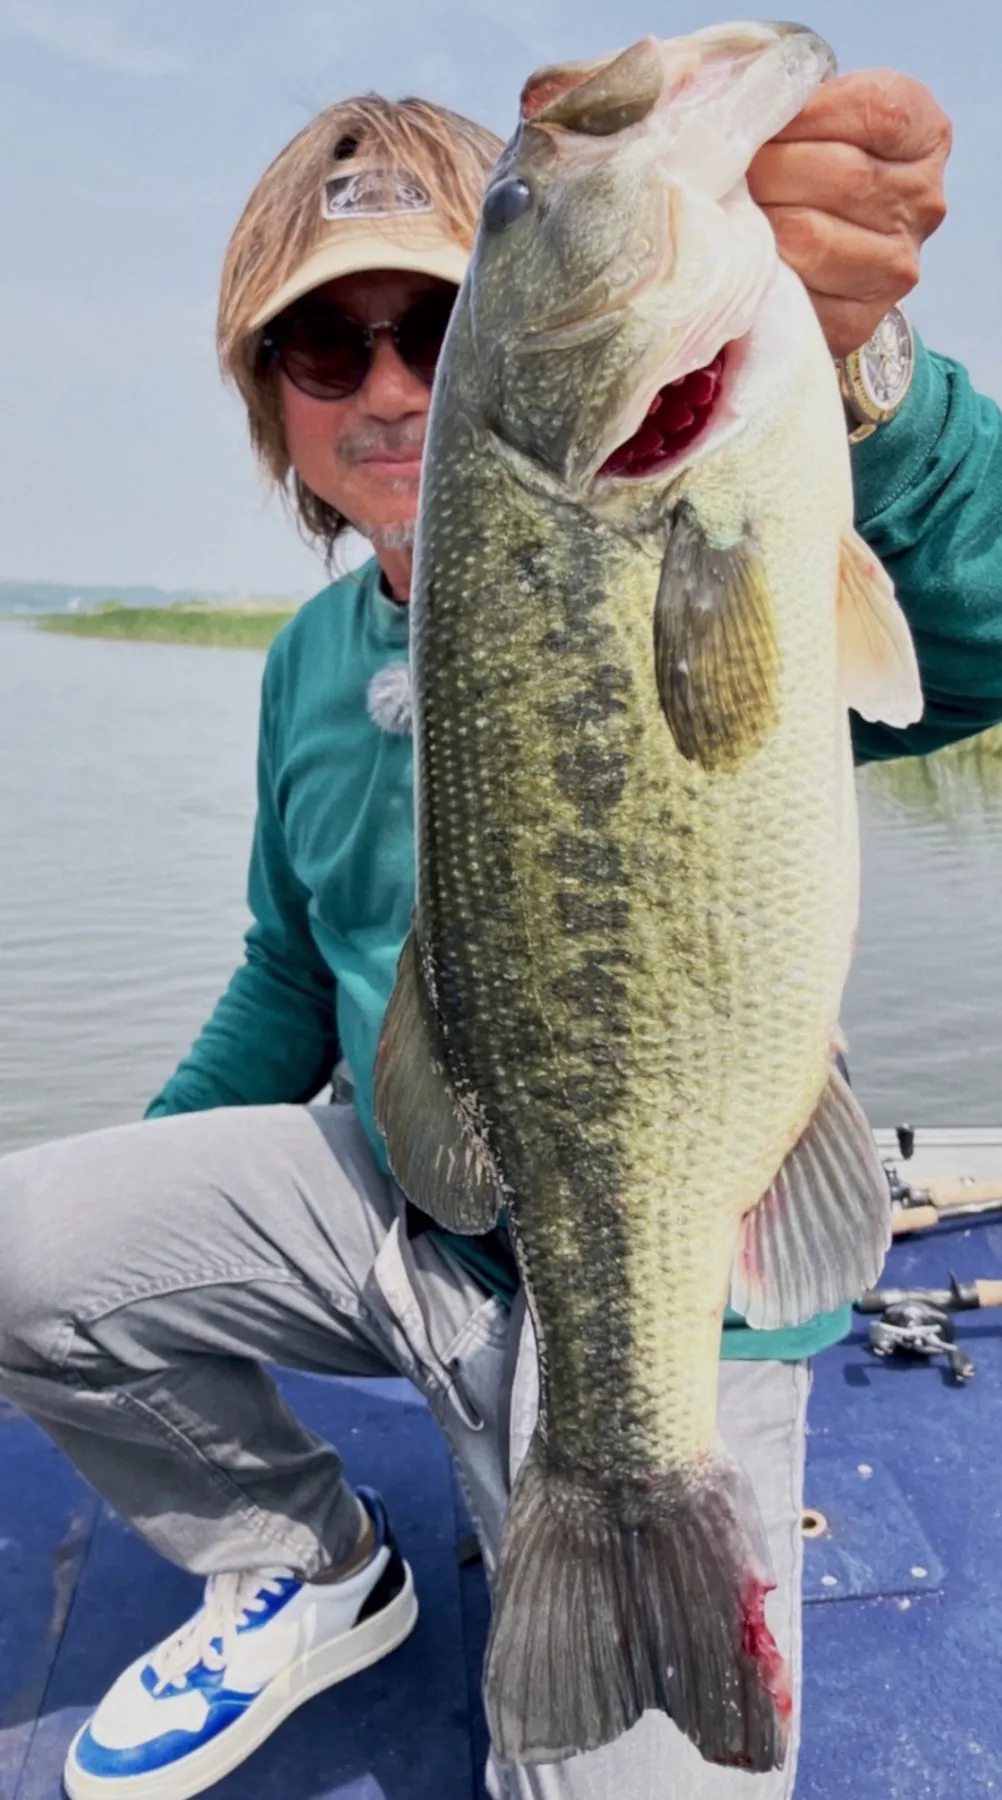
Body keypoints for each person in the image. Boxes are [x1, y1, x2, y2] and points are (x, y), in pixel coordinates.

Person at [0, 62, 996, 1800]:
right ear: (273, 402)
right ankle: (315, 1568)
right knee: (19, 1246)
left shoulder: (739, 510)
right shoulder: (309, 663)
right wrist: (151, 1246)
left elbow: (980, 633)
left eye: (432, 322)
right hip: (408, 1203)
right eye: (326, 349)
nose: (387, 385)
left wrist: (872, 384)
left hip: (673, 1266)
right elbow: (289, 977)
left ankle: (616, 1491)